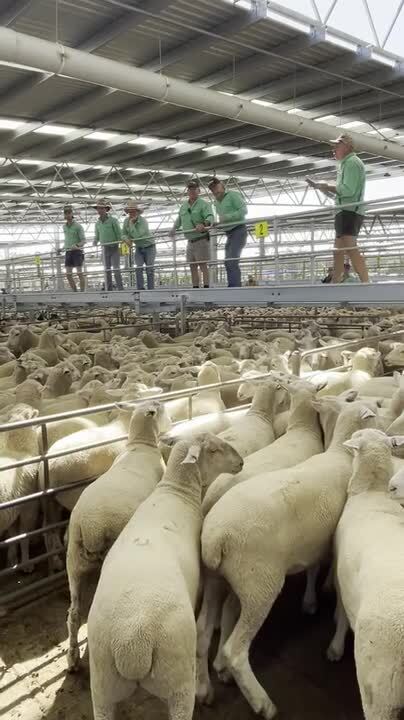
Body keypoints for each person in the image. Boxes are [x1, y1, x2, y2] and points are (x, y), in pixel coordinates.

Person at [306, 133, 368, 284]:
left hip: (349, 211)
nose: (333, 149)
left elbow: (348, 191)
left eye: (337, 145)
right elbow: (341, 195)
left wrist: (327, 185)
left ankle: (366, 284)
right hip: (345, 210)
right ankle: (335, 285)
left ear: (347, 146)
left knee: (350, 249)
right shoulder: (346, 164)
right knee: (338, 251)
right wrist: (323, 188)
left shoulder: (352, 163)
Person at [170, 179, 213, 288]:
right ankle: (195, 288)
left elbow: (210, 216)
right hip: (190, 241)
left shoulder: (204, 204)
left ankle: (207, 289)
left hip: (201, 239)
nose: (192, 191)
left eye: (194, 189)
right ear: (187, 192)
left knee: (203, 265)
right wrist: (173, 228)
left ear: (199, 191)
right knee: (192, 266)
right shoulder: (184, 206)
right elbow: (179, 219)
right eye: (190, 189)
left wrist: (204, 223)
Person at [208, 177, 247, 288]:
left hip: (239, 230)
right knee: (228, 261)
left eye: (216, 186)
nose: (215, 190)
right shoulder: (216, 202)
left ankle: (234, 288)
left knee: (231, 260)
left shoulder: (233, 195)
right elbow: (224, 220)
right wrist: (218, 224)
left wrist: (227, 218)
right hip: (229, 233)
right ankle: (233, 287)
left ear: (222, 186)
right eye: (212, 188)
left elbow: (244, 210)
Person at [122, 199, 156, 290]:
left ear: (137, 212)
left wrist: (131, 224)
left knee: (149, 269)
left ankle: (151, 290)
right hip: (139, 247)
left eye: (133, 211)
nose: (131, 213)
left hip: (150, 247)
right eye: (129, 212)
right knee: (138, 268)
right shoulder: (126, 221)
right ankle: (140, 289)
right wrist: (126, 239)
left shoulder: (143, 221)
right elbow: (123, 233)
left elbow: (138, 236)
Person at [93, 197, 123, 291]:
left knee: (116, 269)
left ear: (106, 209)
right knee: (107, 270)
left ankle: (120, 289)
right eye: (98, 208)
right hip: (104, 248)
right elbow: (97, 235)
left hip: (114, 247)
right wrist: (95, 241)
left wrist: (121, 245)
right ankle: (109, 289)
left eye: (102, 208)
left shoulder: (113, 221)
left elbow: (119, 233)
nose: (100, 210)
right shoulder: (97, 223)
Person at [63, 205, 86, 292]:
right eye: (66, 213)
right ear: (64, 215)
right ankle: (75, 292)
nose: (67, 215)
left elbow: (84, 241)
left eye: (69, 213)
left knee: (79, 273)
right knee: (68, 274)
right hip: (68, 251)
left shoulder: (78, 226)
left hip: (77, 252)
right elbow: (67, 240)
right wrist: (62, 248)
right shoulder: (64, 227)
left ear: (72, 214)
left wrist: (77, 245)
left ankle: (82, 292)